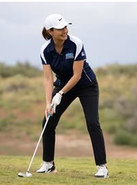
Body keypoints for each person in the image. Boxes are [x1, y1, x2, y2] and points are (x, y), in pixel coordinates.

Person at [37, 14, 108, 178]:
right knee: (48, 120)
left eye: (65, 27)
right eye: (60, 28)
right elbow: (48, 78)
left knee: (92, 122)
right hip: (63, 85)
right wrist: (48, 103)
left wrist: (60, 94)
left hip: (86, 85)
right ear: (50, 31)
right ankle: (48, 164)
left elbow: (76, 75)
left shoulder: (76, 43)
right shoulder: (45, 50)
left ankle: (102, 167)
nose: (64, 31)